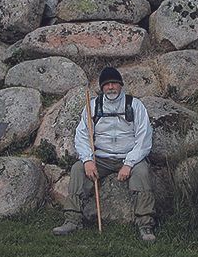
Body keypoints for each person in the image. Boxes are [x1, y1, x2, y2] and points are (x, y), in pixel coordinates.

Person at [53, 66, 156, 243]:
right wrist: (87, 160)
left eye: (114, 83)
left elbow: (144, 138)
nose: (110, 87)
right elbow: (83, 135)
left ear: (121, 85)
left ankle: (145, 225)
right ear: (102, 87)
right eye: (106, 84)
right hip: (101, 158)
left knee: (142, 173)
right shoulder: (93, 105)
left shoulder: (135, 105)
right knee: (78, 169)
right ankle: (72, 220)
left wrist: (129, 163)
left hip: (129, 156)